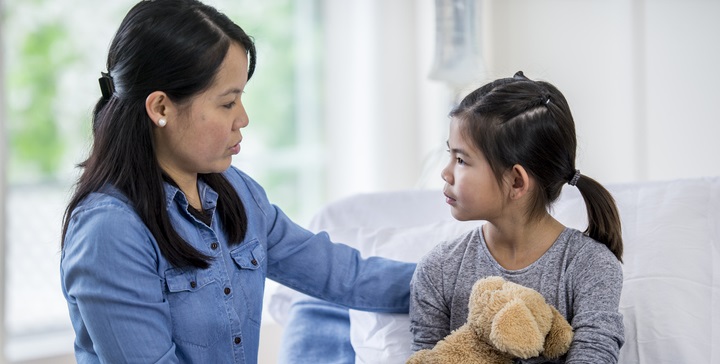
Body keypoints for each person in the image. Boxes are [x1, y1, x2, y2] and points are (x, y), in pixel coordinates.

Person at [59, 1, 415, 363]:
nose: (243, 118)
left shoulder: (237, 193)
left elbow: (342, 275)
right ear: (161, 108)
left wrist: (460, 281)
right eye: (228, 103)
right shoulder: (109, 232)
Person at [409, 71, 625, 362]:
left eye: (461, 160)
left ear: (516, 182)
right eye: (450, 155)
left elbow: (595, 354)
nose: (445, 172)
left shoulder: (590, 267)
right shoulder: (439, 270)